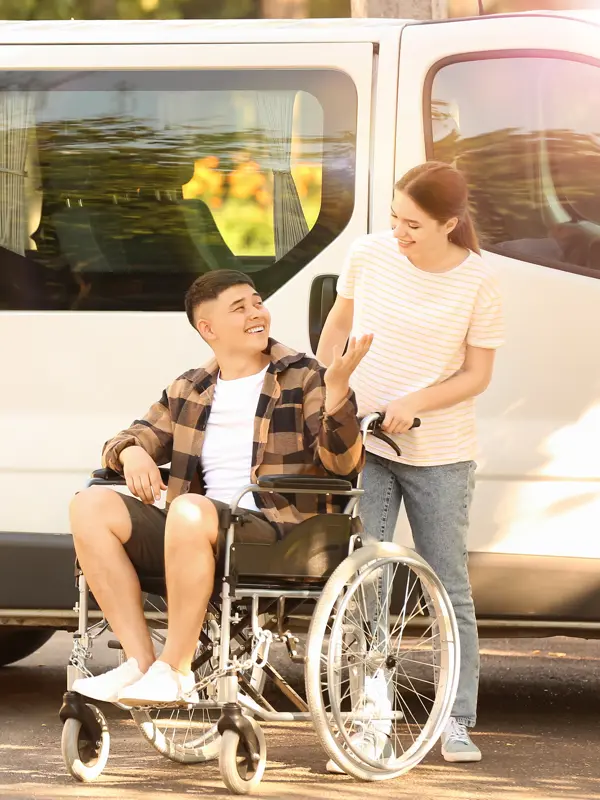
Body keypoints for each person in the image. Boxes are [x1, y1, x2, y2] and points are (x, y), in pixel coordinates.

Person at [70, 269, 371, 707]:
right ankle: (140, 661)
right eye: (240, 308)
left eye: (257, 302)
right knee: (90, 505)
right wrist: (132, 453)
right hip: (198, 526)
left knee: (188, 509)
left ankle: (175, 668)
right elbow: (128, 437)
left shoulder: (305, 376)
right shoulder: (190, 388)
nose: (256, 313)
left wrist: (339, 391)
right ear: (208, 329)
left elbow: (343, 463)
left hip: (281, 528)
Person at [317, 161, 504, 765]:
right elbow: (336, 329)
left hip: (441, 453)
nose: (398, 233)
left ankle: (456, 718)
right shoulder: (369, 255)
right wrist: (333, 389)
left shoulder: (479, 283)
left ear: (450, 223)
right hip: (364, 444)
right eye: (395, 218)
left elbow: (477, 375)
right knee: (364, 580)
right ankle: (371, 716)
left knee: (449, 583)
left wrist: (415, 403)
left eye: (413, 226)